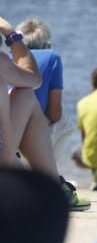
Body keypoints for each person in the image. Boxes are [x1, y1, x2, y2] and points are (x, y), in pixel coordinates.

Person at [0, 15, 88, 211]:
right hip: (9, 151)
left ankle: (43, 188)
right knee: (25, 95)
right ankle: (53, 189)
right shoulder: (50, 57)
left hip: (12, 148)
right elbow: (35, 82)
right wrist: (11, 34)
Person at [18, 18, 74, 161]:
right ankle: (48, 170)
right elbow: (54, 114)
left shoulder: (11, 58)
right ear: (46, 43)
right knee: (64, 123)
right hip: (32, 130)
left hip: (9, 130)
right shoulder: (51, 56)